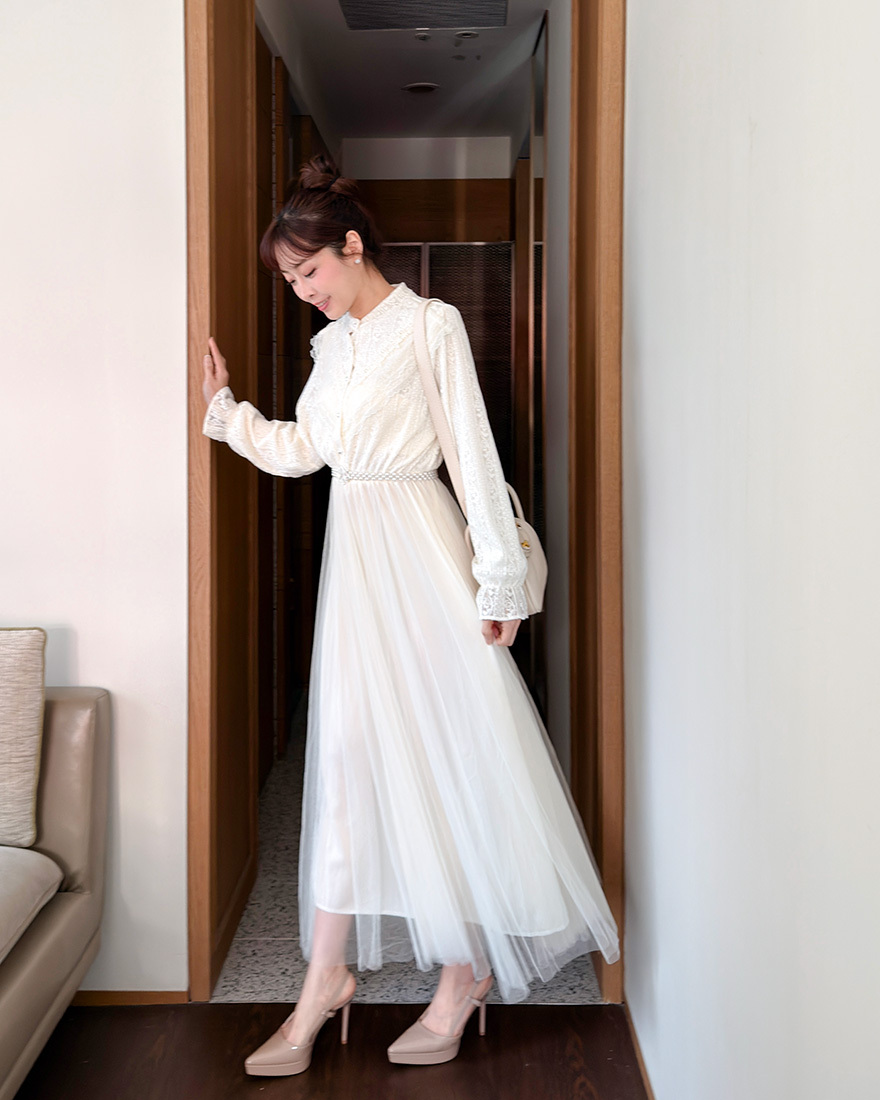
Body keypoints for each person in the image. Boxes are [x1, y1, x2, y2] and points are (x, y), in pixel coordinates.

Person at [201, 154, 620, 1076]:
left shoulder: (432, 323)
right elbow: (309, 450)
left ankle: (463, 975)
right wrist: (228, 415)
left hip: (422, 555)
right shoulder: (330, 348)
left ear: (352, 246)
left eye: (308, 270)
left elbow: (472, 453)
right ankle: (324, 979)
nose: (302, 291)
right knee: (348, 761)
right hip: (355, 563)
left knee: (450, 755)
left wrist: (499, 583)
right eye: (289, 279)